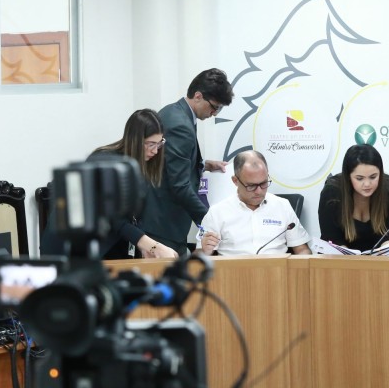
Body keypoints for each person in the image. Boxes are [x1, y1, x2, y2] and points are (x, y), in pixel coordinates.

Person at [41, 109, 178, 260]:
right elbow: (113, 218)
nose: (156, 151)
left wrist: (143, 247)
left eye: (159, 143)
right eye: (151, 144)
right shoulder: (103, 160)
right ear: (136, 140)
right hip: (71, 249)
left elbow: (133, 217)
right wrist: (150, 245)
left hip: (105, 244)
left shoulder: (138, 166)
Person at [143, 68, 234, 256]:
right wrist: (209, 221)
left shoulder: (172, 111)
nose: (214, 113)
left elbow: (169, 161)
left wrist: (205, 164)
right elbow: (180, 185)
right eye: (214, 107)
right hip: (164, 223)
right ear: (198, 96)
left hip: (157, 218)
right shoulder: (181, 125)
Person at [198, 150, 311, 256]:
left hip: (277, 269)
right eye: (251, 186)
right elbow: (197, 259)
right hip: (233, 269)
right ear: (235, 181)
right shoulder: (217, 212)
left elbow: (302, 249)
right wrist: (204, 251)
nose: (259, 191)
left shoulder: (282, 206)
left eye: (263, 183)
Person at [318, 144, 389, 252]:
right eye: (360, 178)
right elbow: (331, 238)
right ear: (348, 176)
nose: (367, 184)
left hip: (383, 258)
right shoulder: (332, 193)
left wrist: (387, 251)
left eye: (373, 177)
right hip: (341, 258)